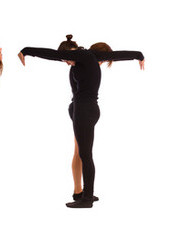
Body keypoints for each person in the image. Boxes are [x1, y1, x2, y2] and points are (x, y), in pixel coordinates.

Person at [18, 35, 144, 208]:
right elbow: (116, 56)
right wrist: (138, 55)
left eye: (65, 58)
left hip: (85, 111)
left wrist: (26, 51)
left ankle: (87, 198)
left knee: (85, 154)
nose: (65, 61)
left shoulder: (84, 55)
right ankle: (79, 193)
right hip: (80, 110)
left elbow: (53, 55)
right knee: (79, 152)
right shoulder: (83, 60)